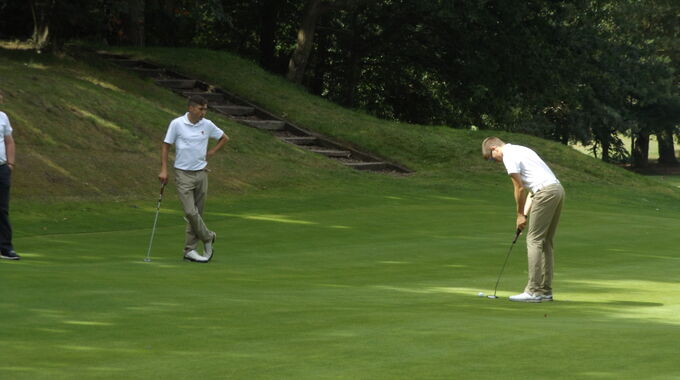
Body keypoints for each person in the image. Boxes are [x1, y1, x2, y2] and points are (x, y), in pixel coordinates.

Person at [482, 137, 565, 302]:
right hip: (557, 190)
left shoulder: (508, 156)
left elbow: (519, 188)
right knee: (546, 241)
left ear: (494, 148)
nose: (496, 161)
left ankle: (533, 291)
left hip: (545, 193)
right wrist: (524, 215)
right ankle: (545, 291)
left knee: (533, 240)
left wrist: (519, 214)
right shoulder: (521, 149)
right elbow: (532, 190)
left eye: (492, 158)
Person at [159, 95, 229, 263]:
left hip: (201, 173)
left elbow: (224, 138)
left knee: (197, 214)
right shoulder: (177, 124)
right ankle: (208, 236)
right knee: (190, 212)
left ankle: (190, 251)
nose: (203, 112)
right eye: (201, 109)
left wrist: (211, 152)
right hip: (183, 173)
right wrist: (163, 168)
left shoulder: (207, 124)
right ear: (191, 108)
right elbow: (166, 145)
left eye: (205, 109)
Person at [0, 90, 19, 260]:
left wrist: (10, 164)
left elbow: (9, 141)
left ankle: (5, 248)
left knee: (2, 209)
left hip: (1, 169)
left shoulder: (3, 117)